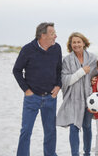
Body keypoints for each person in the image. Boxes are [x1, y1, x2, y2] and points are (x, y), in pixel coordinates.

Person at [13, 22, 62, 156]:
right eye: (52, 34)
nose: (55, 36)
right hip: (32, 97)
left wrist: (58, 86)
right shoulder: (28, 49)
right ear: (43, 35)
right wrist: (27, 90)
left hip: (50, 98)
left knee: (50, 131)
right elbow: (17, 70)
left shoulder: (56, 48)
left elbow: (59, 70)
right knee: (26, 130)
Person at [56, 32, 98, 156]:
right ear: (70, 45)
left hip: (88, 98)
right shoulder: (67, 60)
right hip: (73, 98)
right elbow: (65, 80)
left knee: (87, 126)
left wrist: (94, 79)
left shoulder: (92, 58)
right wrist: (81, 72)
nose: (76, 44)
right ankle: (75, 154)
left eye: (79, 42)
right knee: (74, 128)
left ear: (84, 43)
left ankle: (87, 153)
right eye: (74, 42)